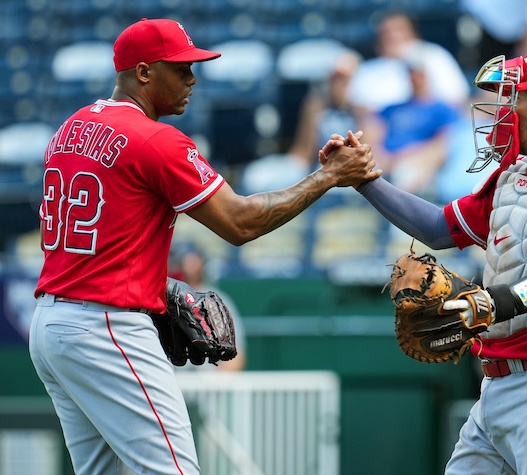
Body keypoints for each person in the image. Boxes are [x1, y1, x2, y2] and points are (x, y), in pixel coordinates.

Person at [28, 18, 380, 475]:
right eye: (181, 69)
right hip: (106, 326)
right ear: (144, 72)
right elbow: (240, 223)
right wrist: (330, 176)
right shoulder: (154, 139)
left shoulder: (68, 130)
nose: (193, 79)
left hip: (51, 326)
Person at [323, 40, 527, 474]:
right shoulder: (511, 178)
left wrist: (494, 302)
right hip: (496, 386)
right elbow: (436, 228)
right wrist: (365, 180)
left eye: (518, 95)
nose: (504, 107)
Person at [357, 52, 459, 197]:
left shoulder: (441, 109)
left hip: (416, 162)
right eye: (411, 73)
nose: (415, 77)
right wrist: (378, 153)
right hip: (385, 159)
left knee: (404, 176)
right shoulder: (392, 108)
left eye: (419, 73)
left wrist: (406, 156)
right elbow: (372, 126)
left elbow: (442, 145)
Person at [347, 11, 469, 114]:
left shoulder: (433, 55)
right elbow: (358, 108)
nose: (392, 36)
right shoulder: (367, 69)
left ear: (413, 33)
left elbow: (456, 99)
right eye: (386, 32)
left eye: (398, 30)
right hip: (380, 132)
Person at [170, 241, 247, 371]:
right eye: (184, 260)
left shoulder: (215, 300)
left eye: (193, 260)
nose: (189, 265)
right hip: (174, 382)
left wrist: (214, 384)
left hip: (209, 384)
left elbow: (237, 357)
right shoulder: (166, 300)